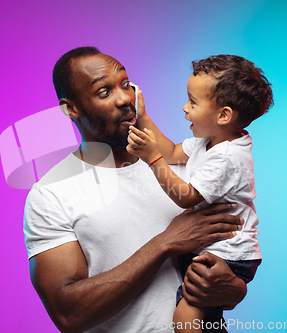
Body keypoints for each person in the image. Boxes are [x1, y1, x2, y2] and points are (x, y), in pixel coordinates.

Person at [24, 47, 247, 333]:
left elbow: (229, 256)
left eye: (126, 84)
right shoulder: (51, 194)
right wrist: (165, 243)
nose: (125, 99)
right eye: (104, 92)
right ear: (71, 108)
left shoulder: (183, 166)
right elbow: (68, 315)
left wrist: (234, 287)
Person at [126, 54, 273, 332]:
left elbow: (186, 196)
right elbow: (171, 152)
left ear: (223, 115)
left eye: (193, 102)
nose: (184, 108)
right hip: (218, 249)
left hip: (228, 255)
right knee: (207, 323)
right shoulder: (211, 141)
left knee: (185, 319)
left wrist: (151, 158)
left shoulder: (228, 157)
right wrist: (143, 117)